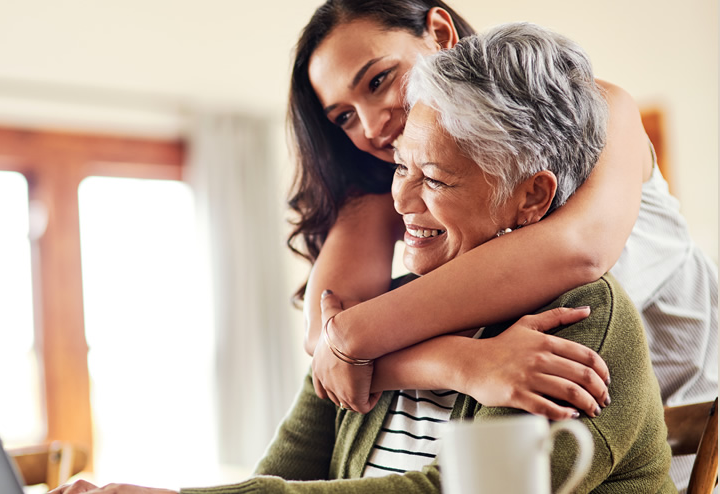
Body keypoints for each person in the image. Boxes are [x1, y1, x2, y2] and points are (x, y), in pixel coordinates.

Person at [49, 22, 674, 494]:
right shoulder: (394, 310)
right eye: (400, 166)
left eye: (433, 178)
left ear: (531, 197)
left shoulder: (579, 320)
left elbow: (456, 493)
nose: (399, 199)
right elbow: (286, 464)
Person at [291, 0, 715, 489]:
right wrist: (462, 364)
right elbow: (326, 339)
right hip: (556, 420)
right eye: (343, 117)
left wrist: (354, 340)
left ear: (439, 32)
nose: (370, 126)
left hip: (689, 416)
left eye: (378, 81)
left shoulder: (592, 112)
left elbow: (577, 251)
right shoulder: (390, 180)